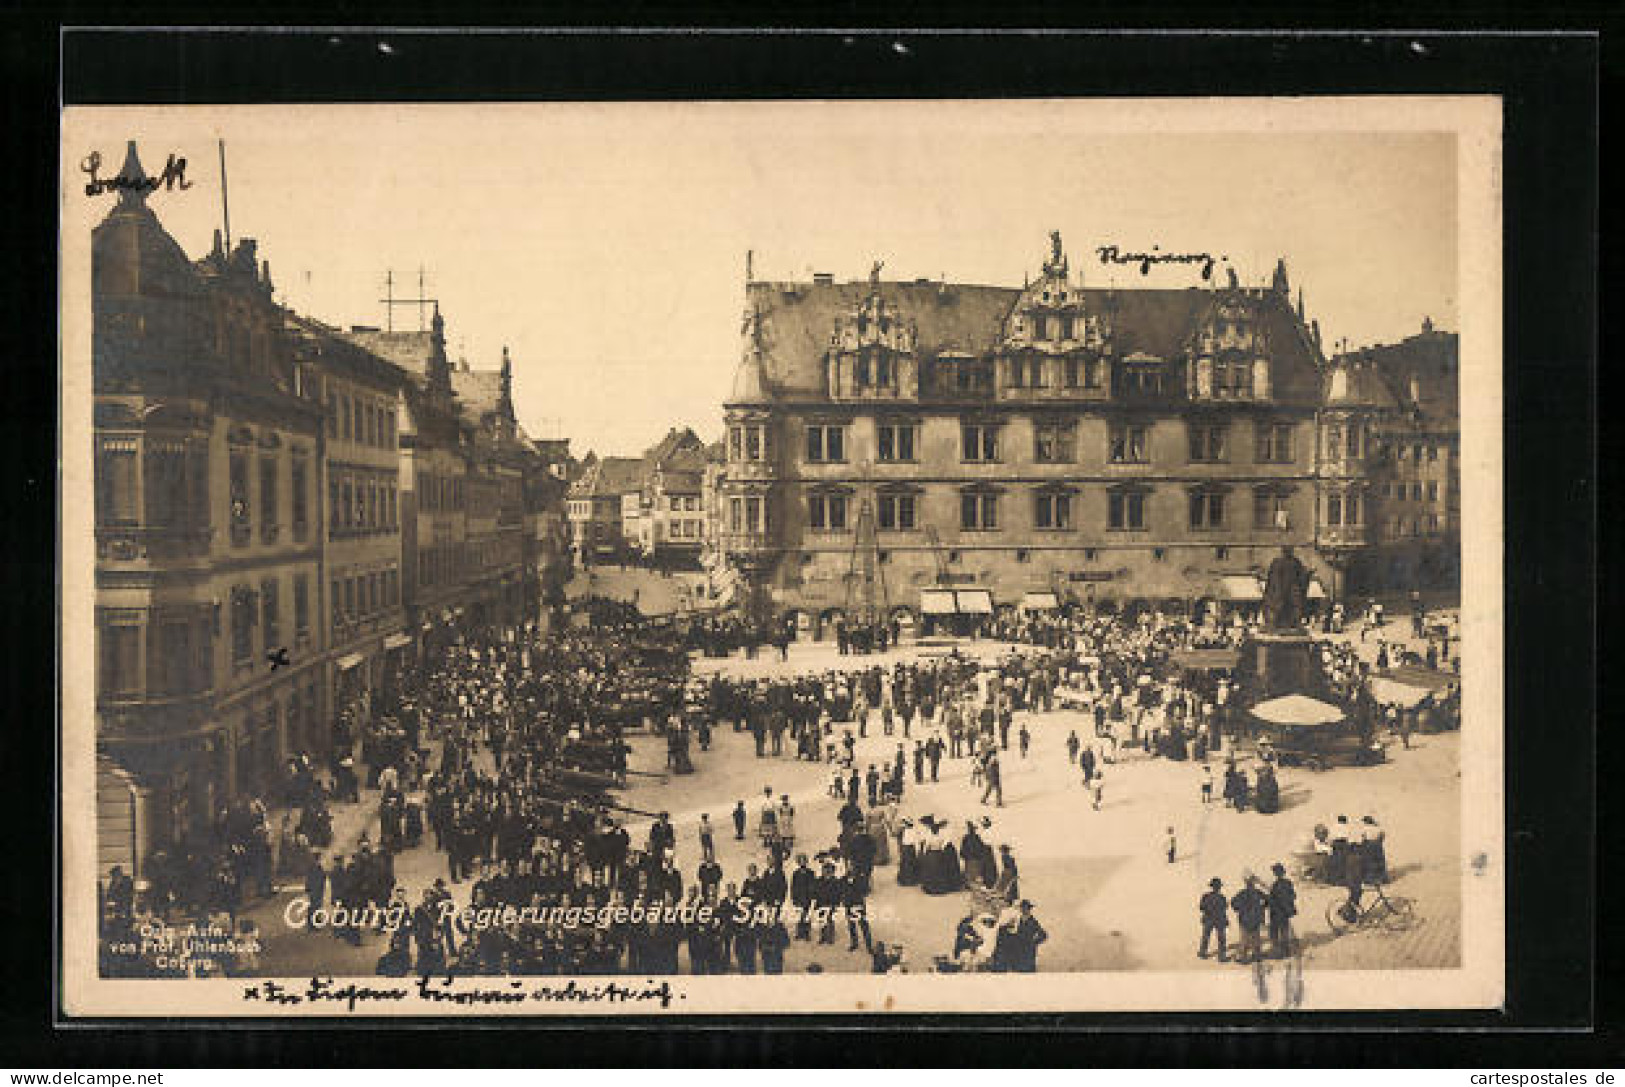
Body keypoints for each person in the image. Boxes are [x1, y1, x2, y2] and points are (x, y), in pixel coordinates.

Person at [1230, 875, 1269, 965]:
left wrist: (1239, 909)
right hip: (1255, 918)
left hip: (1245, 919)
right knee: (1256, 937)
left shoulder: (1242, 893)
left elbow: (1233, 902)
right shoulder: (1258, 892)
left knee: (1245, 938)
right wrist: (1262, 907)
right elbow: (1268, 899)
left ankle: (1244, 957)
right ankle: (1257, 956)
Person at [1267, 862, 1297, 959]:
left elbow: (1271, 900)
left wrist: (1268, 901)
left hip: (1276, 912)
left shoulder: (1275, 885)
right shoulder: (1288, 883)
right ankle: (1286, 951)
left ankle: (1277, 951)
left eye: (1275, 872)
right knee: (1284, 931)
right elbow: (1293, 896)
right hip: (1285, 912)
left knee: (1274, 931)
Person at [1198, 878, 1229, 961]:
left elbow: (1201, 907)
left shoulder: (1206, 896)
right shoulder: (1222, 897)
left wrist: (1208, 909)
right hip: (1219, 919)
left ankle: (1202, 952)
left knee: (1206, 936)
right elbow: (1225, 907)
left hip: (1208, 919)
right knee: (1221, 938)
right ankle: (1221, 956)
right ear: (1219, 887)